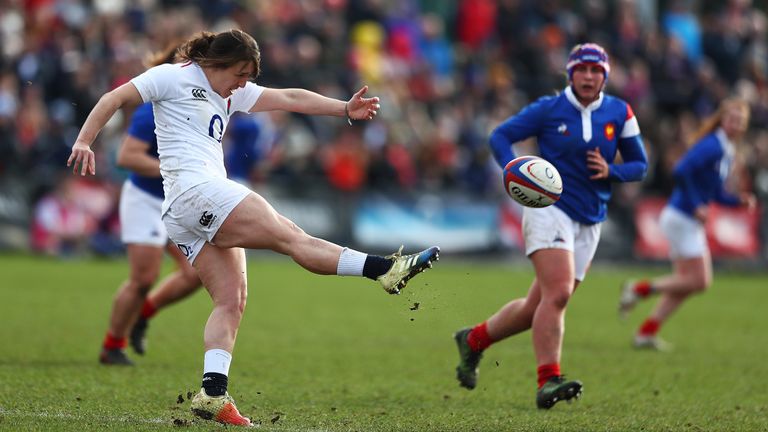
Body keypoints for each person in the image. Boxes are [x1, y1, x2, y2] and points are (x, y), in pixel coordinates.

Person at [67, 29, 439, 427]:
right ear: (216, 63)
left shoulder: (229, 91)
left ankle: (213, 394)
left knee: (231, 301)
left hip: (183, 210)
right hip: (199, 193)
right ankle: (384, 269)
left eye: (248, 77)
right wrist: (85, 141)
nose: (243, 84)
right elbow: (114, 98)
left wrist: (344, 109)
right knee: (291, 236)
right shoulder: (173, 77)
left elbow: (291, 97)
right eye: (240, 74)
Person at [453, 43, 648, 409]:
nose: (589, 76)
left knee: (536, 307)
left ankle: (474, 340)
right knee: (557, 295)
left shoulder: (619, 111)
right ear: (570, 73)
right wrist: (515, 172)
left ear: (605, 75)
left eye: (596, 70)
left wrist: (613, 171)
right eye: (582, 69)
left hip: (591, 218)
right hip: (549, 209)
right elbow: (500, 137)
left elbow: (640, 165)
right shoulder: (549, 108)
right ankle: (548, 381)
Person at [619, 97, 755, 350]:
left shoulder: (724, 148)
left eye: (741, 121)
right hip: (682, 217)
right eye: (732, 118)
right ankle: (638, 289)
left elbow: (714, 192)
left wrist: (738, 201)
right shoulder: (714, 145)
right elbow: (681, 170)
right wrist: (695, 205)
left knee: (685, 284)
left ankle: (646, 333)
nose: (736, 124)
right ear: (722, 118)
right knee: (700, 281)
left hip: (684, 217)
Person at [99, 44, 203, 366]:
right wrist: (176, 168)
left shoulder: (203, 104)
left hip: (178, 201)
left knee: (196, 273)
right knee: (144, 277)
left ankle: (143, 315)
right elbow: (127, 157)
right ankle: (112, 345)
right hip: (146, 199)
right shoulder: (153, 108)